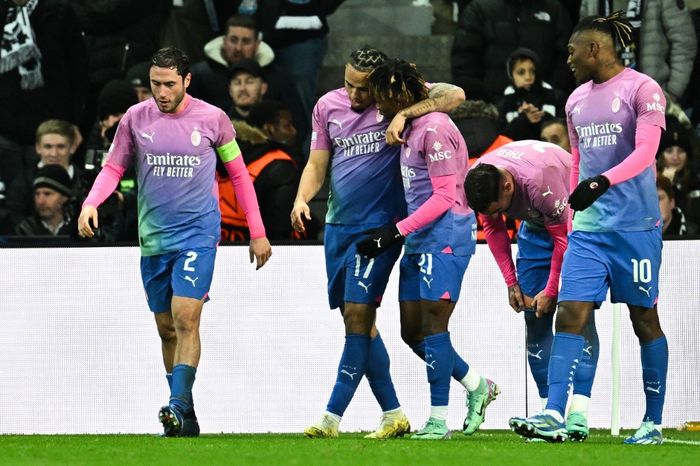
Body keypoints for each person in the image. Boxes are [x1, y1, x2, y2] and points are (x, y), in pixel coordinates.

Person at [77, 47, 272, 437]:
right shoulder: (135, 119)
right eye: (154, 85)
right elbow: (114, 166)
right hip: (153, 240)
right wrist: (90, 203)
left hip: (198, 236)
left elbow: (238, 176)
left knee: (186, 316)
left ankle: (176, 405)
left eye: (169, 84)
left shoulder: (214, 119)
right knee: (166, 329)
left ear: (187, 80)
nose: (161, 92)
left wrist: (258, 231)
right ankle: (186, 414)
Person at [291, 46, 466, 439]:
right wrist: (302, 198)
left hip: (381, 229)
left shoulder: (393, 102)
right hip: (338, 227)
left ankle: (331, 417)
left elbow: (455, 94)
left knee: (357, 317)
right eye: (348, 85)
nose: (354, 96)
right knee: (359, 324)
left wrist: (404, 112)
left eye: (363, 89)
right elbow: (318, 162)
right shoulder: (327, 107)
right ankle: (396, 412)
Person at [510, 12, 669, 445]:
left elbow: (646, 153)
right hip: (589, 230)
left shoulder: (643, 89)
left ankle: (653, 422)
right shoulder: (576, 99)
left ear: (594, 48)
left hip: (635, 228)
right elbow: (578, 159)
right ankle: (553, 414)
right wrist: (576, 205)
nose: (568, 58)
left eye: (572, 51)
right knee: (570, 313)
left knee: (644, 319)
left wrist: (600, 183)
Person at [363, 58, 499, 440]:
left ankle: (438, 420)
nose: (378, 108)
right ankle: (477, 385)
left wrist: (395, 232)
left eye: (381, 100)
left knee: (436, 328)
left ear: (397, 94)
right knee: (412, 332)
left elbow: (443, 196)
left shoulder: (435, 128)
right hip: (421, 237)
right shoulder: (416, 117)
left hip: (446, 236)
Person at [465, 139, 599, 441]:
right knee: (533, 316)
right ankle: (546, 416)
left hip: (578, 225)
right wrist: (511, 282)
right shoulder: (481, 179)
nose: (495, 213)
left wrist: (552, 289)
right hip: (537, 226)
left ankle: (578, 412)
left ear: (509, 188)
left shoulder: (540, 182)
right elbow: (493, 229)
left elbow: (564, 239)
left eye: (499, 208)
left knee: (576, 315)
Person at [450, 0, 574, 103]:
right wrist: (486, 104)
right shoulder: (479, 9)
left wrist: (549, 97)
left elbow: (566, 59)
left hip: (545, 111)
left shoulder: (555, 10)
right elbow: (464, 62)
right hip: (492, 112)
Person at [218, 117, 298, 241]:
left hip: (208, 245)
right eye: (288, 125)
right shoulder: (279, 164)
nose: (294, 131)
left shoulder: (200, 156)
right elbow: (280, 225)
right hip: (259, 248)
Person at [498, 48, 564, 141]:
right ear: (511, 75)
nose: (528, 77)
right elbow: (503, 137)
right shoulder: (505, 102)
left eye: (532, 71)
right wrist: (523, 119)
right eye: (521, 72)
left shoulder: (554, 96)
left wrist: (537, 118)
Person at [656, 118, 700, 225]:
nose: (675, 157)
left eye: (681, 151)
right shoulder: (647, 183)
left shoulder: (696, 184)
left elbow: (692, 222)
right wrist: (665, 183)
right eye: (669, 151)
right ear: (660, 155)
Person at [15, 164, 75, 237]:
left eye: (47, 194)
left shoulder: (79, 228)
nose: (40, 201)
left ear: (64, 197)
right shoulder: (25, 229)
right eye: (37, 194)